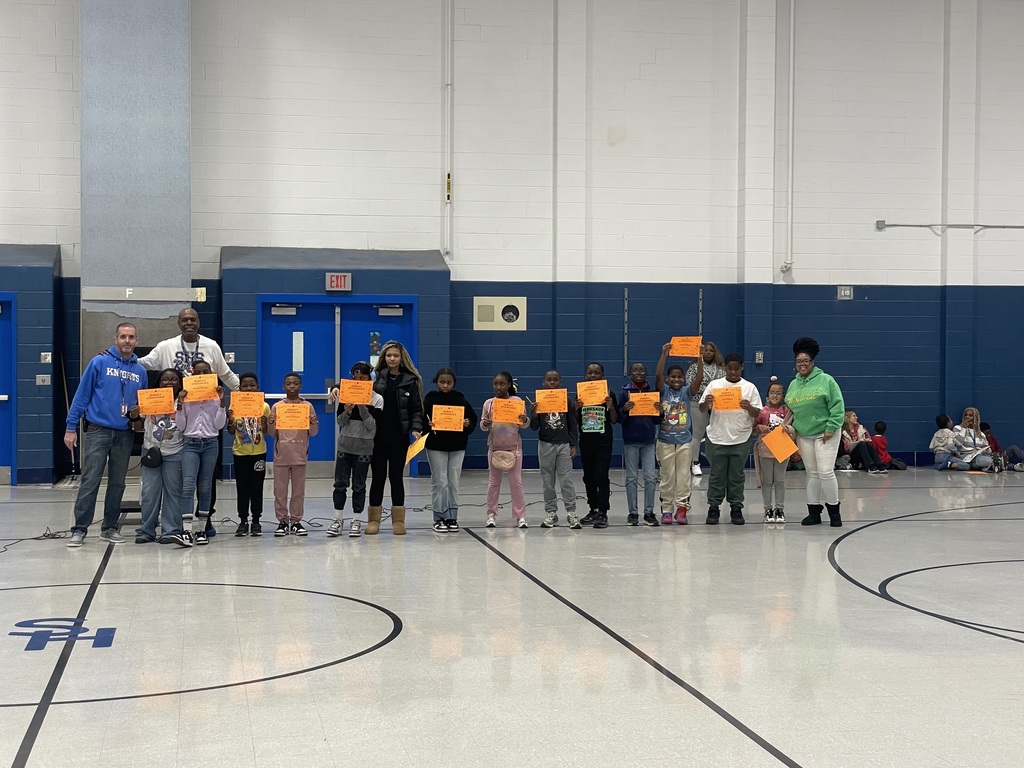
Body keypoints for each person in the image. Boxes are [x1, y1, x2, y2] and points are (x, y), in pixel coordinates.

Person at [138, 307, 240, 538]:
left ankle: (206, 521)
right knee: (183, 482)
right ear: (178, 323)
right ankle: (174, 526)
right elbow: (143, 363)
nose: (189, 323)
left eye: (192, 319)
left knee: (205, 480)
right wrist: (118, 356)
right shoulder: (166, 347)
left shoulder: (211, 346)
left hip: (204, 420)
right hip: (177, 419)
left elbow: (226, 374)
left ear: (199, 322)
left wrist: (247, 396)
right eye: (184, 320)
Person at [65, 322, 148, 547]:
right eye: (123, 337)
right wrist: (70, 427)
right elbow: (81, 396)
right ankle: (79, 529)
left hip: (124, 434)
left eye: (131, 337)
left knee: (118, 483)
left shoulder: (139, 371)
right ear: (115, 339)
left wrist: (139, 416)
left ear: (136, 341)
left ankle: (109, 527)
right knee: (90, 480)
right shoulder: (99, 362)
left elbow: (144, 404)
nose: (127, 341)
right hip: (97, 431)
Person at [786, 337, 845, 527]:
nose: (802, 364)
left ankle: (834, 512)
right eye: (799, 362)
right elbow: (791, 410)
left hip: (825, 434)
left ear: (812, 362)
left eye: (806, 361)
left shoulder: (826, 380)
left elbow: (837, 406)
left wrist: (831, 428)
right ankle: (813, 512)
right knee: (811, 473)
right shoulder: (793, 384)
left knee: (826, 472)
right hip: (804, 434)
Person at [368, 341, 423, 536]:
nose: (392, 358)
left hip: (399, 438)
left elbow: (416, 409)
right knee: (378, 478)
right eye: (389, 355)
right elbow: (355, 384)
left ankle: (398, 521)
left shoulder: (410, 380)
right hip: (377, 437)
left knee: (396, 478)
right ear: (384, 357)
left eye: (396, 356)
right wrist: (336, 387)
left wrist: (416, 428)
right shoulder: (374, 377)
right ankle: (373, 519)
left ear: (402, 358)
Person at [700, 353, 762, 525]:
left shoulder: (749, 387)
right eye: (730, 368)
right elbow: (701, 408)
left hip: (740, 438)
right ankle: (714, 507)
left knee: (736, 476)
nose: (733, 372)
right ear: (724, 368)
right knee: (716, 475)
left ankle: (736, 507)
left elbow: (758, 413)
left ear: (742, 367)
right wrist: (707, 403)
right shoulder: (715, 385)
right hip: (717, 437)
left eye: (737, 369)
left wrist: (748, 407)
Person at [328, 362, 383, 538]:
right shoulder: (345, 395)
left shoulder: (377, 399)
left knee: (359, 486)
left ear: (370, 379)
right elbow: (340, 422)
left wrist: (361, 406)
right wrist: (347, 411)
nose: (359, 381)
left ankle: (356, 520)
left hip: (364, 448)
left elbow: (372, 427)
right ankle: (337, 519)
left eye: (363, 378)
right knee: (340, 484)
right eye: (355, 378)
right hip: (345, 446)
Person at [135, 368, 189, 546]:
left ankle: (171, 530)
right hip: (151, 451)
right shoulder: (150, 398)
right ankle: (146, 529)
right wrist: (135, 417)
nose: (169, 382)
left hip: (176, 452)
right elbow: (138, 427)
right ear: (159, 383)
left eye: (174, 379)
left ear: (180, 383)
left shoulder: (186, 402)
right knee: (149, 492)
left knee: (173, 492)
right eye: (165, 379)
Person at [175, 360, 226, 545]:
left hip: (211, 444)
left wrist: (221, 404)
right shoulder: (185, 397)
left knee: (205, 487)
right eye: (198, 372)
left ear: (211, 374)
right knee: (188, 485)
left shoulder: (216, 397)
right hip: (191, 443)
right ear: (192, 374)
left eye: (206, 372)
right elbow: (181, 426)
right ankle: (186, 530)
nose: (202, 375)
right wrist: (180, 404)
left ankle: (201, 529)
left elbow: (219, 425)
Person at [423, 367, 477, 533]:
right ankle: (439, 517)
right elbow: (420, 419)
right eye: (442, 382)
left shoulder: (460, 399)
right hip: (436, 445)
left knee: (453, 482)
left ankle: (452, 516)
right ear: (436, 382)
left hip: (457, 445)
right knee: (440, 481)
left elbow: (472, 420)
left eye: (449, 382)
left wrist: (466, 424)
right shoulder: (430, 399)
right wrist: (428, 425)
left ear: (454, 383)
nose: (445, 385)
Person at [267, 372, 319, 536]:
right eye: (288, 384)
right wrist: (270, 422)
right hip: (281, 456)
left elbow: (313, 432)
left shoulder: (307, 406)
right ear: (283, 386)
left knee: (298, 492)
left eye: (295, 383)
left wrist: (313, 421)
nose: (292, 386)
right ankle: (282, 521)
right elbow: (271, 433)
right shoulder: (277, 407)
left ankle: (296, 521)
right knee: (280, 491)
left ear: (300, 386)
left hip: (299, 456)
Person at [530, 370, 579, 529]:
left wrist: (573, 444)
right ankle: (551, 512)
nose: (552, 382)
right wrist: (534, 413)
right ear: (543, 382)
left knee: (566, 480)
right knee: (548, 481)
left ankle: (571, 512)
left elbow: (572, 423)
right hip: (545, 444)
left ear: (560, 381)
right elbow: (534, 427)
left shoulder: (566, 399)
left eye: (555, 380)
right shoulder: (539, 401)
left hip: (564, 444)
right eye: (549, 380)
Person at [481, 371, 530, 528]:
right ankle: (491, 514)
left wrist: (525, 419)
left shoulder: (516, 401)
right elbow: (482, 425)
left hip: (514, 449)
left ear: (509, 384)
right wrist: (485, 424)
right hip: (495, 449)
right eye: (496, 383)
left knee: (516, 483)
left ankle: (520, 516)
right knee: (493, 483)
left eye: (502, 383)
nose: (499, 387)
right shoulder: (489, 403)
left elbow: (525, 424)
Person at [226, 372, 270, 537]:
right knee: (242, 488)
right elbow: (231, 431)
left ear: (258, 388)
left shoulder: (264, 406)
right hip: (240, 453)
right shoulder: (234, 407)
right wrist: (230, 421)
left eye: (252, 385)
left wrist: (265, 424)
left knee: (257, 488)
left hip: (259, 453)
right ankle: (243, 520)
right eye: (245, 386)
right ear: (239, 389)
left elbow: (266, 432)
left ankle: (256, 521)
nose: (249, 388)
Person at [575, 362, 618, 529]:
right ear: (586, 375)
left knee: (601, 475)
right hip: (586, 439)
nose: (593, 376)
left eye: (597, 373)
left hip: (603, 439)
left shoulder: (608, 394)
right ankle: (592, 508)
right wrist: (576, 408)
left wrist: (610, 406)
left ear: (603, 376)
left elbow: (614, 420)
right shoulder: (581, 394)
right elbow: (576, 419)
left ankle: (603, 511)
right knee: (588, 476)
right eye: (590, 373)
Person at [654, 343, 693, 525]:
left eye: (679, 377)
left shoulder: (686, 392)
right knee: (667, 476)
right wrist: (664, 354)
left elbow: (699, 380)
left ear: (683, 379)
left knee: (684, 477)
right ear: (668, 379)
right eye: (673, 377)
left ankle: (682, 509)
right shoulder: (664, 391)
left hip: (684, 441)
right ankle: (667, 509)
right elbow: (658, 375)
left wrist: (699, 358)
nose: (676, 379)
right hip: (665, 440)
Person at [618, 362, 660, 527]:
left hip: (649, 441)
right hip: (631, 441)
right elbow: (619, 420)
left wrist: (660, 411)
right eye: (635, 370)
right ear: (630, 374)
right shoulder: (625, 393)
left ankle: (649, 512)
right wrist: (624, 410)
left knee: (650, 477)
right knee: (631, 478)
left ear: (646, 373)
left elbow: (656, 420)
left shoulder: (652, 392)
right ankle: (633, 513)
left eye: (641, 370)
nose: (638, 372)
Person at [754, 377, 794, 524]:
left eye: (778, 393)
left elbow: (795, 429)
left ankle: (779, 509)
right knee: (767, 481)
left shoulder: (787, 411)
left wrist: (788, 428)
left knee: (780, 480)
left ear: (783, 395)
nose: (775, 395)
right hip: (766, 449)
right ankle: (767, 509)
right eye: (772, 392)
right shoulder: (762, 412)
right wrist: (759, 428)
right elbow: (753, 429)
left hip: (782, 449)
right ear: (767, 394)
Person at [684, 341, 725, 476]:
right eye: (705, 350)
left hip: (717, 406)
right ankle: (695, 462)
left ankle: (717, 462)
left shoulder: (721, 368)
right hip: (697, 404)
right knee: (697, 434)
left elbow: (724, 384)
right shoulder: (694, 368)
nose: (707, 352)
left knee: (716, 434)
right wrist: (709, 390)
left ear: (715, 352)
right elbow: (691, 385)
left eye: (710, 350)